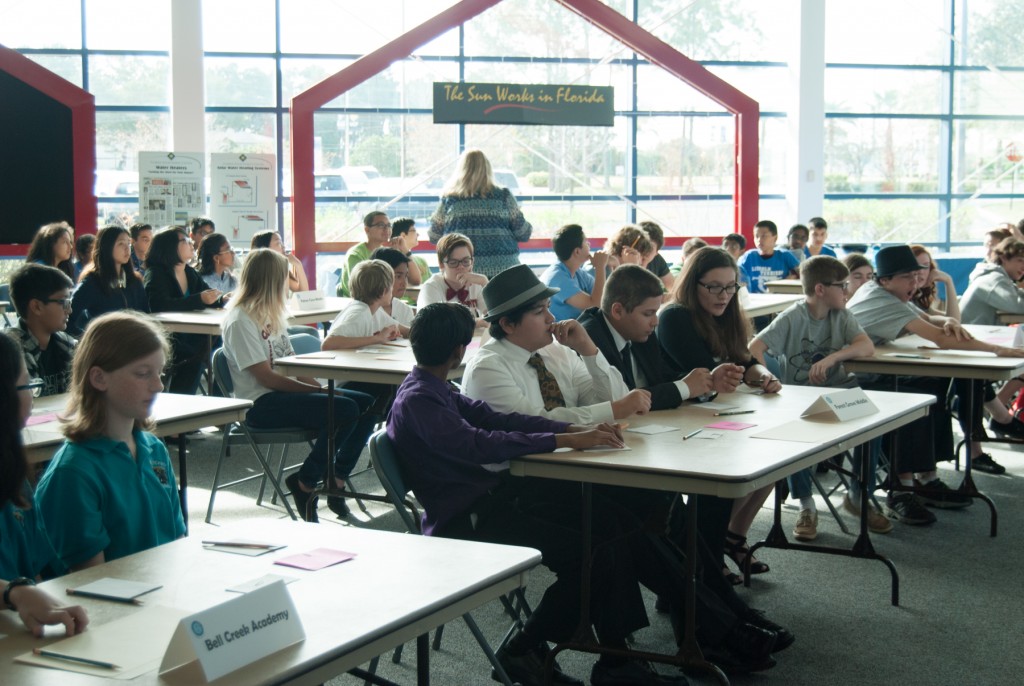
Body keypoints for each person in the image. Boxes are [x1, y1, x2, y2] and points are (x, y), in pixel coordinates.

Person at [461, 267, 787, 675]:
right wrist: (612, 410)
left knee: (648, 509)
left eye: (548, 308)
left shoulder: (557, 351)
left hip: (570, 477)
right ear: (508, 324)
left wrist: (591, 352)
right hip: (517, 489)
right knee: (618, 529)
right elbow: (542, 424)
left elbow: (620, 398)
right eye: (540, 311)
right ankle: (705, 631)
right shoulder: (489, 368)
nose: (552, 318)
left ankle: (695, 632)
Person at [389, 303, 691, 686]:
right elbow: (480, 443)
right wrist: (563, 437)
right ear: (458, 351)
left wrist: (569, 432)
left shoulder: (434, 388)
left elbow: (499, 419)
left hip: (490, 503)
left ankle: (614, 657)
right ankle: (526, 650)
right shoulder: (420, 399)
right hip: (467, 520)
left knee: (607, 524)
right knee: (594, 550)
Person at [847, 245, 1022, 521]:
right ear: (885, 280)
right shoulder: (882, 299)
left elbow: (929, 319)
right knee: (914, 394)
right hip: (846, 379)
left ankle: (926, 476)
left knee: (942, 381)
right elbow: (939, 338)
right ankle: (901, 488)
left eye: (917, 276)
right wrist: (997, 350)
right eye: (907, 277)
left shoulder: (887, 292)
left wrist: (949, 320)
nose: (915, 282)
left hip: (866, 366)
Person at [222, 249, 377, 522]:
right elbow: (266, 377)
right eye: (285, 278)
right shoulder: (240, 320)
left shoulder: (269, 313)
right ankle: (306, 481)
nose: (288, 284)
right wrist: (319, 391)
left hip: (282, 394)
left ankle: (336, 474)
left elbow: (292, 364)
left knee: (365, 401)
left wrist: (321, 387)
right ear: (272, 281)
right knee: (345, 409)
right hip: (259, 404)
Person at [657, 247, 782, 583]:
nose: (723, 295)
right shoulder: (675, 316)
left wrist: (761, 375)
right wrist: (736, 373)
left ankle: (731, 538)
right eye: (713, 287)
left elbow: (741, 359)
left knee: (776, 460)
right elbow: (709, 373)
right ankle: (710, 559)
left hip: (713, 413)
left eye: (730, 287)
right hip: (676, 421)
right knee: (725, 477)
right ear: (691, 284)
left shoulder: (726, 314)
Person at [34, 312, 185, 570]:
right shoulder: (74, 472)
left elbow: (176, 542)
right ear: (99, 378)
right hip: (113, 605)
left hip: (162, 594)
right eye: (143, 373)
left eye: (159, 372)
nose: (158, 385)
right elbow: (92, 581)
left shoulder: (154, 449)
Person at [749, 256, 885, 539]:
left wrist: (835, 356)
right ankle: (806, 504)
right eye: (842, 286)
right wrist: (766, 378)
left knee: (876, 423)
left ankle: (858, 496)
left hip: (839, 396)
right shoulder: (792, 317)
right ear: (821, 289)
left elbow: (866, 346)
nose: (847, 292)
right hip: (801, 400)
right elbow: (754, 348)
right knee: (795, 429)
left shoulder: (842, 315)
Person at [0, 332, 89, 638]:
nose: (31, 395)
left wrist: (30, 595)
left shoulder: (13, 476)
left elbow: (37, 570)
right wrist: (14, 592)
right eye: (28, 385)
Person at [577, 265, 713, 410]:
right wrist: (684, 388)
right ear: (617, 311)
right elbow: (623, 400)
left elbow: (663, 377)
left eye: (655, 312)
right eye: (648, 313)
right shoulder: (591, 337)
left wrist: (707, 381)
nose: (656, 321)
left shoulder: (638, 331)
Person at [144, 226, 223, 395]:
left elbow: (206, 295)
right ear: (170, 247)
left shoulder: (189, 271)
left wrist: (221, 299)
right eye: (185, 241)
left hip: (192, 337)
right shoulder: (156, 273)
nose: (191, 243)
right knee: (195, 358)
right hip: (169, 338)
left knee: (224, 348)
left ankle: (220, 399)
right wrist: (199, 299)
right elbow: (159, 305)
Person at [429, 149, 532, 278]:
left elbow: (434, 236)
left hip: (463, 274)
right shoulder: (503, 196)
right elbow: (524, 233)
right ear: (488, 169)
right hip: (505, 273)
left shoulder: (450, 200)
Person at [6, 264, 76, 397]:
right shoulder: (11, 351)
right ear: (36, 306)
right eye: (63, 302)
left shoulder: (65, 343)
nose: (69, 310)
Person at [68, 225, 150, 336]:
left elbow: (146, 316)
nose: (127, 248)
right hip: (106, 348)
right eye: (121, 244)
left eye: (128, 243)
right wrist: (87, 339)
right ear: (107, 247)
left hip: (133, 344)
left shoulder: (134, 280)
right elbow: (68, 315)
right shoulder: (93, 282)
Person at [324, 260, 404, 348]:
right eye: (391, 287)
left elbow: (400, 328)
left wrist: (393, 330)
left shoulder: (374, 310)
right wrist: (377, 338)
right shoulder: (359, 314)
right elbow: (327, 344)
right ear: (383, 291)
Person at [540, 223, 609, 321]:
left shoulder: (578, 273)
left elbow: (606, 297)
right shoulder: (558, 278)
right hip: (559, 334)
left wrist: (615, 265)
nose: (589, 244)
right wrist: (600, 267)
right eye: (585, 241)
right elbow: (595, 305)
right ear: (577, 251)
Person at [417, 233, 489, 325]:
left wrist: (485, 283)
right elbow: (434, 325)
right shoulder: (431, 287)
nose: (461, 267)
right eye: (453, 262)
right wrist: (476, 322)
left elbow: (494, 317)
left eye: (466, 261)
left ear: (472, 262)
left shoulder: (477, 283)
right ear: (441, 264)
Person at [337, 211, 392, 297]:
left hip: (382, 298)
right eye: (381, 225)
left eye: (389, 225)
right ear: (367, 229)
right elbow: (361, 287)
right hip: (359, 301)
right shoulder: (355, 255)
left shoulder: (387, 252)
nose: (387, 229)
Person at [737, 220, 800, 294]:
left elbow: (803, 273)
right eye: (756, 236)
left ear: (775, 238)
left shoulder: (785, 255)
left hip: (780, 300)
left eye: (764, 236)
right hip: (754, 300)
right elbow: (737, 276)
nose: (759, 240)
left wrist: (790, 280)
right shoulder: (749, 257)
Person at [369, 247, 416, 328]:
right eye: (398, 276)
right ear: (380, 276)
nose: (404, 283)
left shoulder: (405, 310)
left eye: (406, 276)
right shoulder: (368, 310)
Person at [910, 244, 959, 319]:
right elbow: (951, 322)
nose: (921, 271)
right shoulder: (903, 301)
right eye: (915, 266)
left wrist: (948, 281)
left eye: (926, 266)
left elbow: (954, 320)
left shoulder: (917, 300)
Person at [389, 216, 431, 286]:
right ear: (403, 235)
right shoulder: (390, 260)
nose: (418, 234)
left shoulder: (421, 260)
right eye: (414, 231)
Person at [639, 221, 675, 291]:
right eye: (642, 245)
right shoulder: (624, 260)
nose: (645, 251)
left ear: (656, 252)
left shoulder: (658, 260)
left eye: (650, 247)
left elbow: (674, 289)